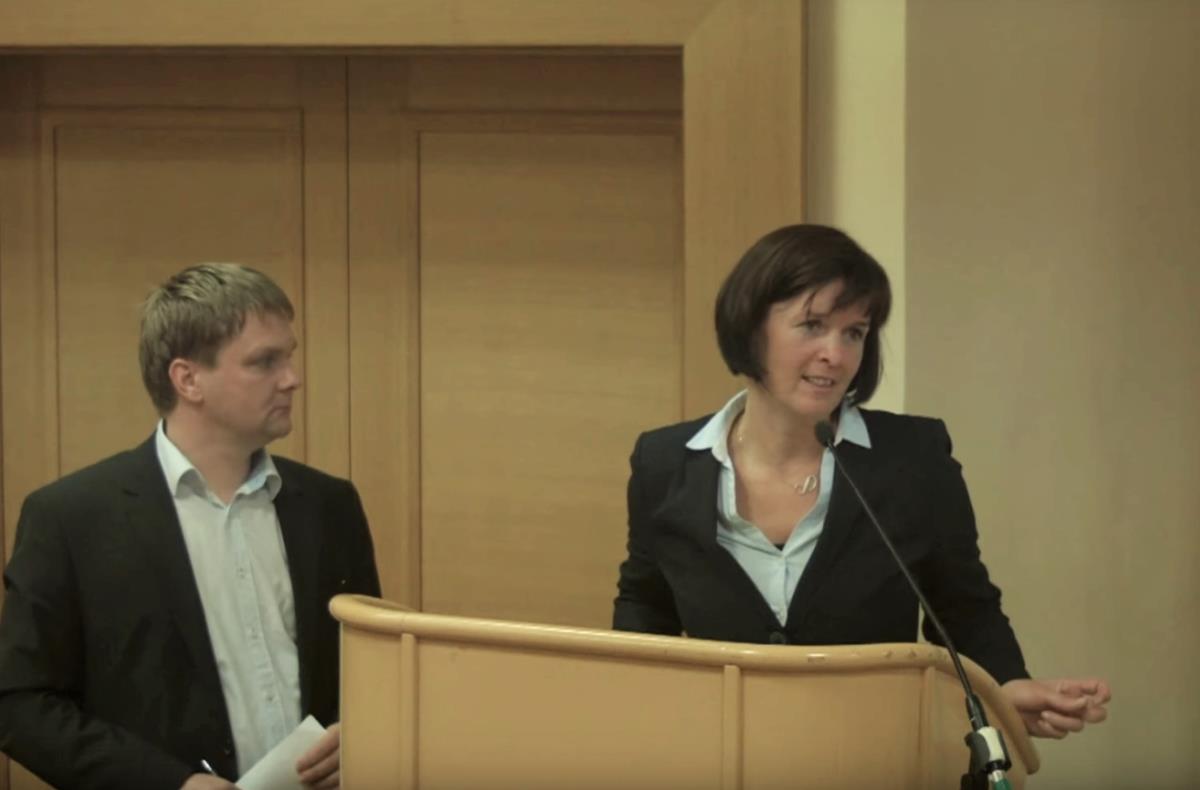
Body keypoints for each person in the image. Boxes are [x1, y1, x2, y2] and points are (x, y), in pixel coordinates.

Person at [613, 224, 1109, 739]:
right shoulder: (664, 462)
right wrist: (635, 718)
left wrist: (1005, 687)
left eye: (854, 332)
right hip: (720, 753)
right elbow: (645, 605)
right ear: (750, 326)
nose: (837, 354)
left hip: (877, 752)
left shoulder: (914, 459)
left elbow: (963, 606)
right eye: (813, 325)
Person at [0, 263, 380, 789]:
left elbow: (371, 672)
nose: (292, 378)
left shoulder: (330, 505)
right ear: (188, 380)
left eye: (288, 356)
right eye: (265, 361)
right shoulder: (71, 518)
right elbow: (20, 704)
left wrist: (358, 733)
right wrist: (172, 784)